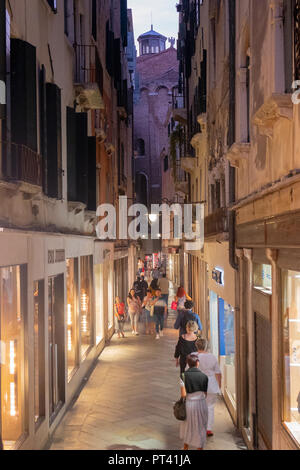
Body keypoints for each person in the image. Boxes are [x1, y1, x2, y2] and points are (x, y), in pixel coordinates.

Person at [180, 353, 208, 450]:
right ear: (197, 363)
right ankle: (199, 447)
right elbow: (205, 393)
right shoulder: (204, 376)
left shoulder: (183, 375)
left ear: (188, 363)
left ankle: (185, 447)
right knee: (201, 425)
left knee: (188, 426)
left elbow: (183, 394)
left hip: (189, 404)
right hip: (201, 403)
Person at [196, 338, 222, 437]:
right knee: (210, 407)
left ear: (197, 346)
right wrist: (219, 385)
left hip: (198, 384)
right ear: (206, 346)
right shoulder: (212, 357)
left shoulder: (194, 357)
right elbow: (218, 373)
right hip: (211, 384)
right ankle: (208, 429)